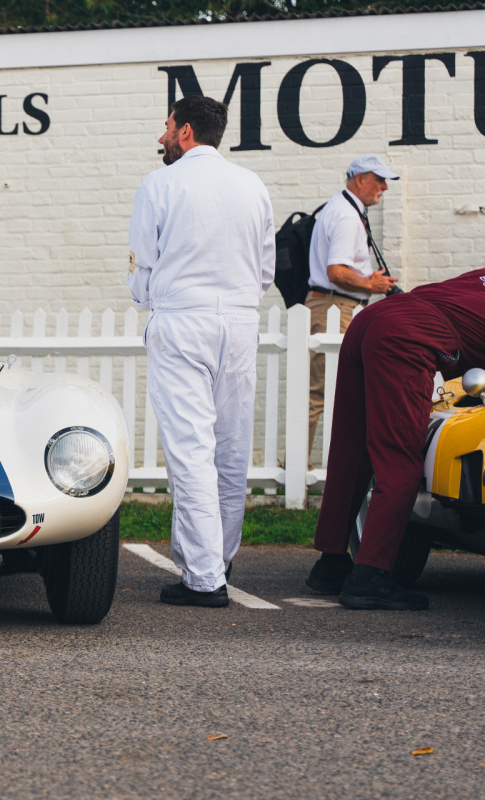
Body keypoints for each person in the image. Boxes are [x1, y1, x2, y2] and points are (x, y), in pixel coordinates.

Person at [128, 95, 275, 607]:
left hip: (182, 319)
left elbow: (143, 268)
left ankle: (204, 577)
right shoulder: (253, 185)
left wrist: (152, 300)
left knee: (190, 451)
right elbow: (265, 272)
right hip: (238, 321)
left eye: (167, 126)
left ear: (186, 131)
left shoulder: (160, 184)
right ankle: (219, 557)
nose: (162, 135)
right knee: (230, 448)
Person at [306, 268, 485, 610]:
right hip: (407, 334)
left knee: (352, 449)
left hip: (374, 317)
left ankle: (330, 564)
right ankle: (369, 577)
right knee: (400, 458)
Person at [304, 155, 401, 463]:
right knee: (319, 391)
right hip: (334, 306)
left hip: (335, 305)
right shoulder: (346, 216)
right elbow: (336, 272)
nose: (384, 186)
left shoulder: (344, 209)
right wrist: (370, 284)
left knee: (325, 390)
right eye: (379, 179)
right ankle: (298, 468)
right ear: (360, 179)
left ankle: (303, 465)